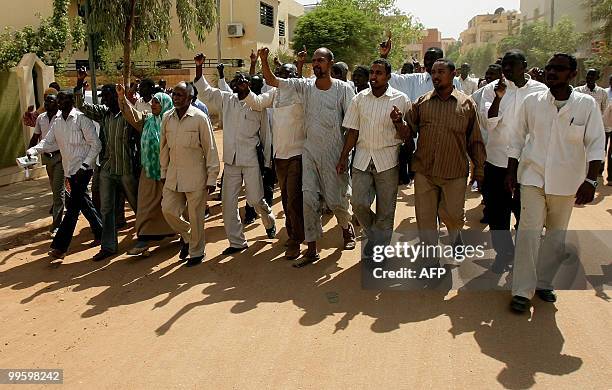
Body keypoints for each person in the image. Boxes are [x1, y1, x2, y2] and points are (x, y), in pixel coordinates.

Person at [505, 53, 605, 313]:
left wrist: (591, 180)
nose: (551, 73)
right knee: (528, 232)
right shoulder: (533, 101)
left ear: (573, 74)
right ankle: (521, 291)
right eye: (549, 68)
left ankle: (544, 282)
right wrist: (511, 171)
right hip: (532, 176)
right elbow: (517, 137)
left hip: (566, 182)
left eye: (559, 69)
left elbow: (595, 144)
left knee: (555, 235)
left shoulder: (586, 105)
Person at [259, 46, 357, 265]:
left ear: (330, 63)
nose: (316, 64)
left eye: (320, 60)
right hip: (310, 152)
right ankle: (311, 248)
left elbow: (352, 127)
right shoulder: (305, 87)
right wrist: (263, 60)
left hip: (334, 153)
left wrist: (343, 157)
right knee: (309, 200)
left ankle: (346, 227)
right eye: (314, 60)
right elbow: (274, 80)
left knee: (335, 199)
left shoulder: (343, 89)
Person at [193, 53, 277, 255]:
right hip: (231, 161)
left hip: (250, 161)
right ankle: (237, 242)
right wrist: (199, 67)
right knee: (228, 204)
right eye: (237, 82)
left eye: (243, 82)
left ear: (248, 86)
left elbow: (265, 136)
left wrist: (266, 164)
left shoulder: (258, 106)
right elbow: (205, 91)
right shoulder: (227, 99)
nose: (239, 85)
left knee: (255, 199)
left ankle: (268, 219)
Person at [407, 59, 486, 269]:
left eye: (441, 72)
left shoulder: (467, 104)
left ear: (453, 74)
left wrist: (479, 168)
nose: (435, 76)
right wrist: (398, 122)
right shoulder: (421, 102)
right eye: (433, 72)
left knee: (453, 216)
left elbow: (475, 140)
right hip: (425, 170)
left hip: (454, 171)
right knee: (425, 219)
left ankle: (454, 235)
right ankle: (430, 260)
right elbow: (408, 132)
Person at [479, 50, 548, 273]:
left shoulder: (540, 90)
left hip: (528, 164)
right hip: (497, 161)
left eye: (512, 65)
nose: (507, 69)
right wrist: (499, 98)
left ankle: (525, 256)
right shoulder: (492, 90)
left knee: (526, 214)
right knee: (497, 214)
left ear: (524, 66)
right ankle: (503, 253)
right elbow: (488, 123)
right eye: (504, 65)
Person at [337, 59, 411, 263]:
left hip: (388, 161)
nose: (373, 77)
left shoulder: (401, 99)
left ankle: (379, 252)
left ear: (388, 76)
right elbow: (352, 131)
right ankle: (375, 237)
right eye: (372, 72)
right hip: (361, 159)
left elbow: (407, 135)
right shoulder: (359, 99)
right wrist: (344, 158)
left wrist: (398, 122)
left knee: (386, 211)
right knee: (358, 203)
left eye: (378, 73)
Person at [27, 90, 102, 260]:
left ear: (71, 101)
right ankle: (101, 232)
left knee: (73, 208)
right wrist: (33, 150)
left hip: (83, 170)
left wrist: (85, 165)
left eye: (63, 100)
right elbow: (48, 141)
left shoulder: (82, 119)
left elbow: (95, 144)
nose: (60, 103)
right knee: (83, 202)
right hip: (69, 169)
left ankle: (60, 247)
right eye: (59, 100)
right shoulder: (58, 121)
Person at [243, 60, 306, 260]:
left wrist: (263, 60)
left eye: (287, 74)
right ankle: (292, 233)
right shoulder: (275, 93)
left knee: (294, 199)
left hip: (298, 153)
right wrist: (245, 91)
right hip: (279, 155)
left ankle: (297, 239)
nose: (283, 78)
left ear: (296, 76)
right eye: (281, 74)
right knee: (286, 199)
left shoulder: (302, 92)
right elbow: (257, 103)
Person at [74, 68, 139, 261]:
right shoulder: (104, 114)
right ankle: (109, 246)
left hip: (126, 169)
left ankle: (147, 235)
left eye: (107, 96)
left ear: (115, 97)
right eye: (103, 97)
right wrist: (79, 83)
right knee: (106, 209)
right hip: (108, 169)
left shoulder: (128, 116)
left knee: (137, 205)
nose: (103, 101)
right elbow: (81, 105)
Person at [160, 82, 220, 267]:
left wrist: (212, 177)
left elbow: (210, 149)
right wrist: (163, 171)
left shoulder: (200, 118)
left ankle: (196, 252)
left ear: (190, 98)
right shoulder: (167, 117)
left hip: (196, 176)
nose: (175, 97)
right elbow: (163, 147)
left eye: (180, 95)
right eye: (174, 94)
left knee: (196, 216)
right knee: (167, 209)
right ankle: (187, 235)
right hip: (173, 175)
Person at [116, 85, 177, 255]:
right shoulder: (147, 120)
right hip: (149, 171)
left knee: (173, 205)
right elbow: (131, 115)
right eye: (153, 102)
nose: (154, 105)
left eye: (158, 102)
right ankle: (143, 240)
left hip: (169, 172)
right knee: (145, 204)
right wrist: (123, 98)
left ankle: (179, 232)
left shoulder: (173, 122)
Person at [26, 91, 64, 236]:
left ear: (57, 103)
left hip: (60, 157)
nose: (47, 104)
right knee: (56, 189)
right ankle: (72, 206)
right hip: (47, 158)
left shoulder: (61, 117)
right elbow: (35, 137)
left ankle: (56, 225)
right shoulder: (41, 118)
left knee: (58, 191)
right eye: (46, 102)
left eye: (51, 101)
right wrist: (28, 154)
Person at [379, 37, 461, 101]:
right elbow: (390, 78)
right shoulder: (414, 80)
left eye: (432, 58)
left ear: (440, 60)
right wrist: (383, 57)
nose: (428, 62)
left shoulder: (454, 81)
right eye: (426, 59)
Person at [575, 69, 609, 181]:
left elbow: (604, 109)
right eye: (588, 75)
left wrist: (596, 121)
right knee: (578, 151)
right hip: (579, 127)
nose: (589, 77)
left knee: (594, 151)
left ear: (597, 78)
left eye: (592, 75)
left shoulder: (602, 93)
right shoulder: (578, 91)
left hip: (595, 128)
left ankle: (590, 177)